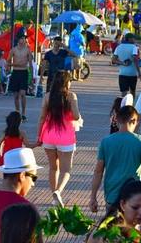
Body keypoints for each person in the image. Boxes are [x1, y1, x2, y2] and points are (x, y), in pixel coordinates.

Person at [89, 105, 141, 212]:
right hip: (133, 198)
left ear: (117, 120)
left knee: (112, 227)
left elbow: (98, 172)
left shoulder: (106, 142)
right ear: (134, 120)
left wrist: (93, 197)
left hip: (112, 197)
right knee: (132, 227)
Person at [36, 71, 81, 207]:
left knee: (53, 168)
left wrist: (39, 136)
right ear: (66, 82)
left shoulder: (48, 96)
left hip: (48, 136)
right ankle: (58, 192)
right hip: (65, 138)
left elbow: (42, 118)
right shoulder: (71, 96)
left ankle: (54, 197)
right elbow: (76, 116)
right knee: (66, 170)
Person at [8, 35, 33, 121]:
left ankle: (23, 113)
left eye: (24, 38)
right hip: (15, 72)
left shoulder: (28, 50)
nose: (23, 40)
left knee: (23, 94)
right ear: (18, 39)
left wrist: (32, 78)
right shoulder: (13, 50)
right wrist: (10, 67)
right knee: (16, 96)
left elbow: (30, 64)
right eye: (22, 38)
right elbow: (8, 61)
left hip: (24, 73)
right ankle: (17, 112)